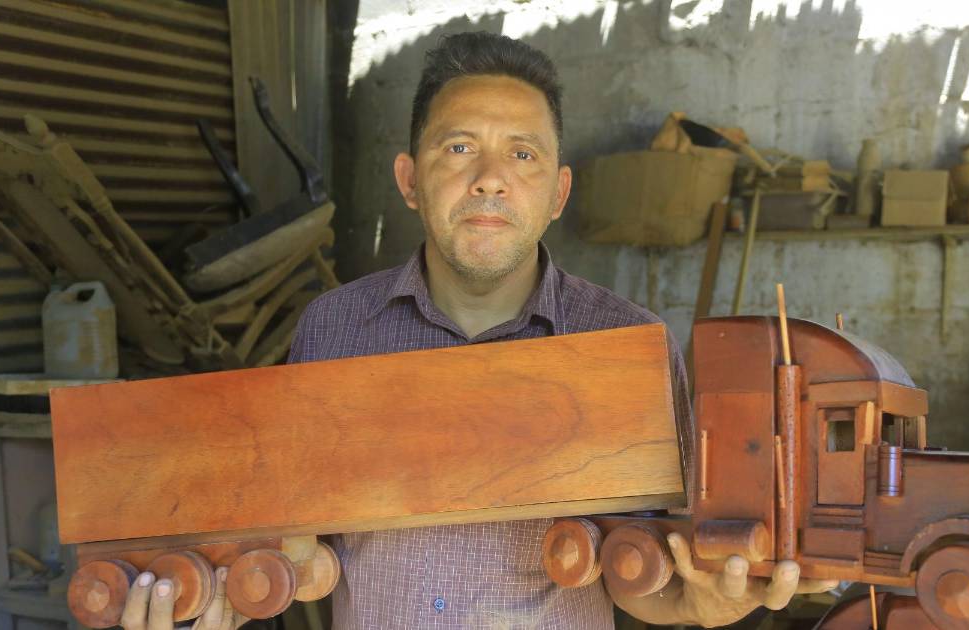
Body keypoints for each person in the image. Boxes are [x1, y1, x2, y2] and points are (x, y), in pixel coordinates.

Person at [119, 31, 835, 630]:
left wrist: (699, 604)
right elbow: (313, 549)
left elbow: (642, 568)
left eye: (522, 154)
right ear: (409, 180)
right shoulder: (333, 328)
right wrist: (228, 593)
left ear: (558, 192)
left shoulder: (628, 345)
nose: (491, 178)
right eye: (459, 148)